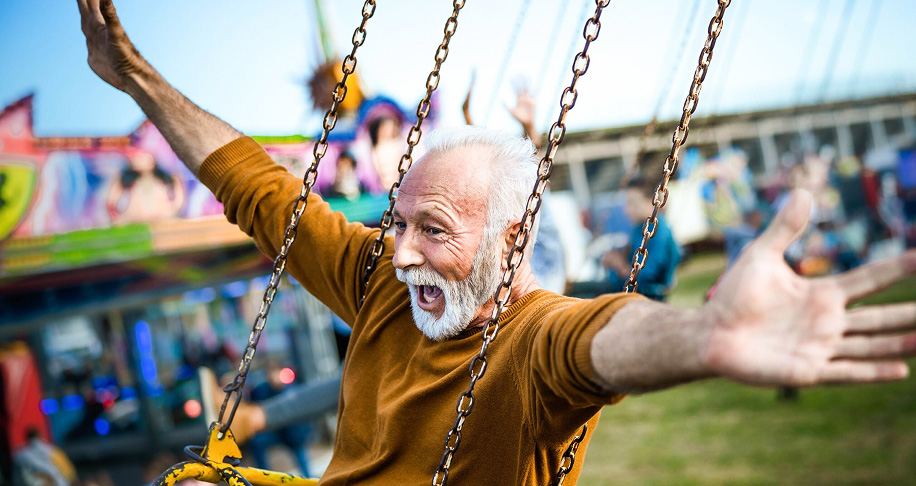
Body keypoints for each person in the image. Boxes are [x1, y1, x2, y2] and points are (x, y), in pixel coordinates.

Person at [78, 2, 916, 484]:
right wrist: (137, 77)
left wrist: (703, 334)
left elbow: (603, 340)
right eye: (398, 224)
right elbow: (258, 189)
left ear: (510, 243)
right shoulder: (380, 277)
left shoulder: (532, 346)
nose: (401, 252)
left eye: (432, 230)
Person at [11, 428, 77, 486]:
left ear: (27, 438)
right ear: (41, 435)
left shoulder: (19, 455)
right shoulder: (53, 450)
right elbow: (68, 472)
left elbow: (16, 477)